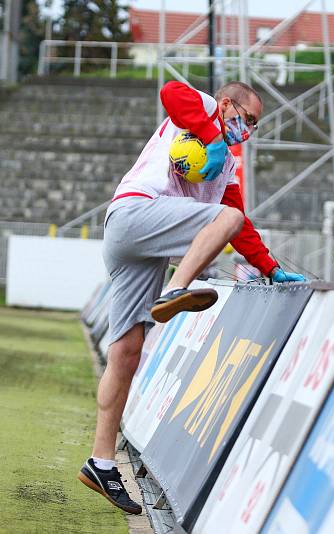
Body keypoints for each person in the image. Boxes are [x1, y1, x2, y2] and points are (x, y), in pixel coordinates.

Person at [78, 80, 305, 514]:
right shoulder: (201, 108)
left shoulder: (228, 168)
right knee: (227, 217)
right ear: (226, 105)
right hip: (137, 213)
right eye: (249, 119)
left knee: (126, 350)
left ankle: (101, 461)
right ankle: (177, 288)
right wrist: (215, 132)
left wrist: (270, 267)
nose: (250, 131)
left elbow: (240, 225)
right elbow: (169, 91)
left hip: (139, 240)